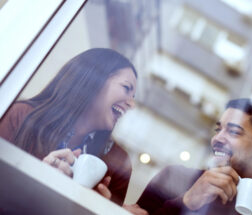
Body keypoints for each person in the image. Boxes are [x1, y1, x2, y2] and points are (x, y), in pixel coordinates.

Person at [0, 48, 147, 214]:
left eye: (133, 97)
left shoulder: (119, 163)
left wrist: (97, 210)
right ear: (93, 80)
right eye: (126, 88)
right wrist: (38, 178)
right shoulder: (19, 116)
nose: (131, 105)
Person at [137, 98, 252, 215]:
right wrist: (187, 201)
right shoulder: (173, 178)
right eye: (219, 130)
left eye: (233, 132)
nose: (217, 138)